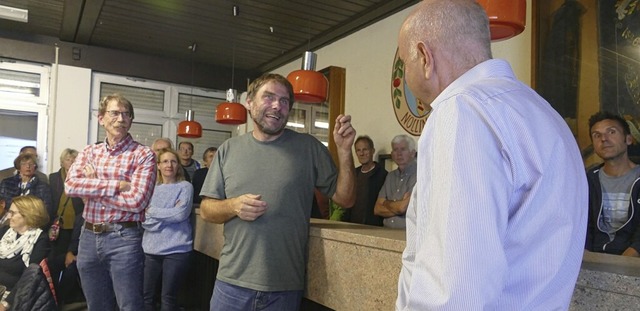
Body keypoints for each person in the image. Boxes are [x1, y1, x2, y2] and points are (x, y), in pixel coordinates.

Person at [395, 1, 588, 309]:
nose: (406, 75)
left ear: (424, 57)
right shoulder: (544, 112)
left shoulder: (462, 110)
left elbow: (457, 287)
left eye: (405, 62)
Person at [200, 73, 356, 310]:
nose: (277, 106)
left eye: (284, 101)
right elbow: (207, 209)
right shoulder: (229, 150)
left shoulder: (309, 147)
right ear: (249, 103)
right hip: (231, 283)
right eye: (269, 97)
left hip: (284, 288)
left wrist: (345, 151)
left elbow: (345, 199)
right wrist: (232, 206)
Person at [65, 93, 157, 311]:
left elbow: (137, 201)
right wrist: (116, 185)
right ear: (101, 118)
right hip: (87, 238)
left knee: (130, 306)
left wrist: (93, 184)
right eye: (115, 113)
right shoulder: (90, 151)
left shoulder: (143, 155)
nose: (121, 118)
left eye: (126, 114)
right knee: (96, 305)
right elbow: (71, 186)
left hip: (124, 238)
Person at [142, 148, 193, 311]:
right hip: (151, 250)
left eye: (173, 161)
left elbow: (180, 215)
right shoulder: (150, 188)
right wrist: (169, 212)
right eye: (164, 161)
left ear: (178, 165)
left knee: (168, 298)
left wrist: (152, 211)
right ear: (158, 165)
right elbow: (143, 219)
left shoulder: (185, 187)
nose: (169, 165)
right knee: (146, 296)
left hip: (177, 250)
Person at [586, 111, 640, 256]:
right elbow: (583, 224)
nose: (604, 139)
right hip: (594, 260)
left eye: (611, 132)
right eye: (597, 135)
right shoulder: (588, 180)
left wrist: (621, 267)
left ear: (628, 139)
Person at [0, 195, 51, 311]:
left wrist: (5, 304)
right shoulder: (4, 232)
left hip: (16, 296)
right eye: (9, 212)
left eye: (13, 213)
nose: (8, 216)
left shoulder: (40, 240)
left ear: (28, 215)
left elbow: (29, 279)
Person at [48, 148, 85, 304]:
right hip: (58, 225)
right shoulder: (54, 178)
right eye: (68, 160)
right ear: (62, 162)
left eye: (74, 160)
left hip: (76, 223)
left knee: (72, 261)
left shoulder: (81, 178)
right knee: (55, 260)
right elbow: (51, 201)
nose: (71, 163)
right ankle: (54, 295)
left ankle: (68, 297)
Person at [373, 135, 416, 229]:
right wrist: (398, 206)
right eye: (395, 150)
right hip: (386, 232)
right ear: (392, 154)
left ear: (412, 153)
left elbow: (402, 208)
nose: (399, 154)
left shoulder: (420, 175)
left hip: (408, 236)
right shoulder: (390, 176)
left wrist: (386, 202)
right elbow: (377, 209)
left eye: (403, 149)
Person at [0, 154, 53, 227]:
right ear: (18, 167)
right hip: (9, 221)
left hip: (31, 223)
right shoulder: (6, 183)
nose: (28, 166)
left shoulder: (43, 186)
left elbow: (46, 210)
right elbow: (2, 204)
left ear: (35, 167)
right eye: (24, 164)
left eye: (31, 164)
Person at [345, 136, 387, 226]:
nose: (361, 153)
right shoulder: (353, 174)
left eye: (365, 149)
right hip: (352, 226)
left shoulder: (383, 175)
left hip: (373, 228)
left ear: (372, 151)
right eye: (358, 150)